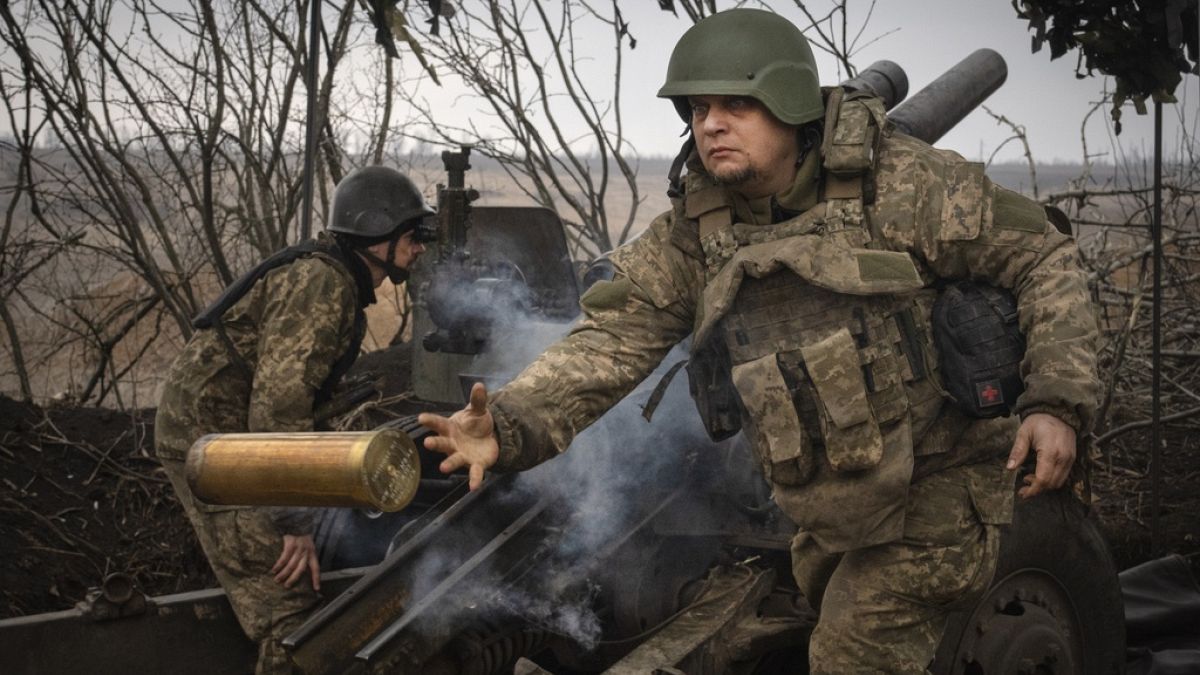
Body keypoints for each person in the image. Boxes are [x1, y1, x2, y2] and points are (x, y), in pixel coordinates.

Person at [419, 8, 1100, 674]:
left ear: (791, 105)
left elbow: (1042, 255)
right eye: (697, 109)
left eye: (735, 105)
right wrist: (507, 423)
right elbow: (607, 343)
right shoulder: (697, 232)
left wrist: (1056, 402)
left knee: (848, 655)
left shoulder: (903, 185)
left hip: (941, 484)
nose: (710, 124)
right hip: (831, 507)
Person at [154, 166, 434, 674]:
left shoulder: (336, 278)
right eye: (412, 238)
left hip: (236, 435)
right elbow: (277, 407)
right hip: (214, 447)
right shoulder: (322, 282)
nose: (418, 251)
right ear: (376, 235)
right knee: (288, 611)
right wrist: (294, 523)